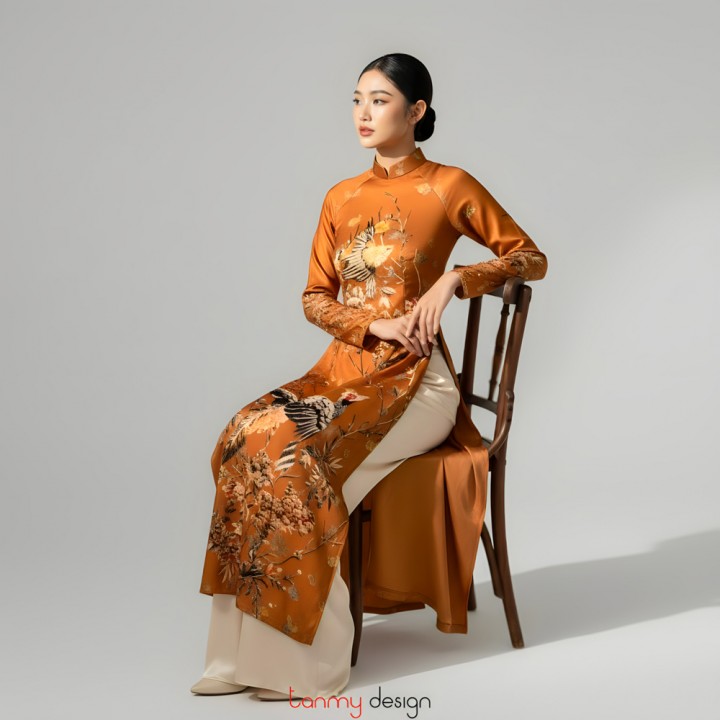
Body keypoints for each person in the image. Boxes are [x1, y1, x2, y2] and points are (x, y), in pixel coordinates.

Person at [191, 52, 548, 701]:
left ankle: (304, 665)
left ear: (416, 111)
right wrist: (373, 324)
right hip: (341, 374)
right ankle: (235, 656)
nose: (363, 112)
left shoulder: (449, 186)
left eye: (379, 100)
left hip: (416, 384)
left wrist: (456, 279)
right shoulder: (341, 196)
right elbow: (314, 297)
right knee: (245, 434)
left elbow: (530, 257)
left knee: (297, 452)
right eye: (357, 99)